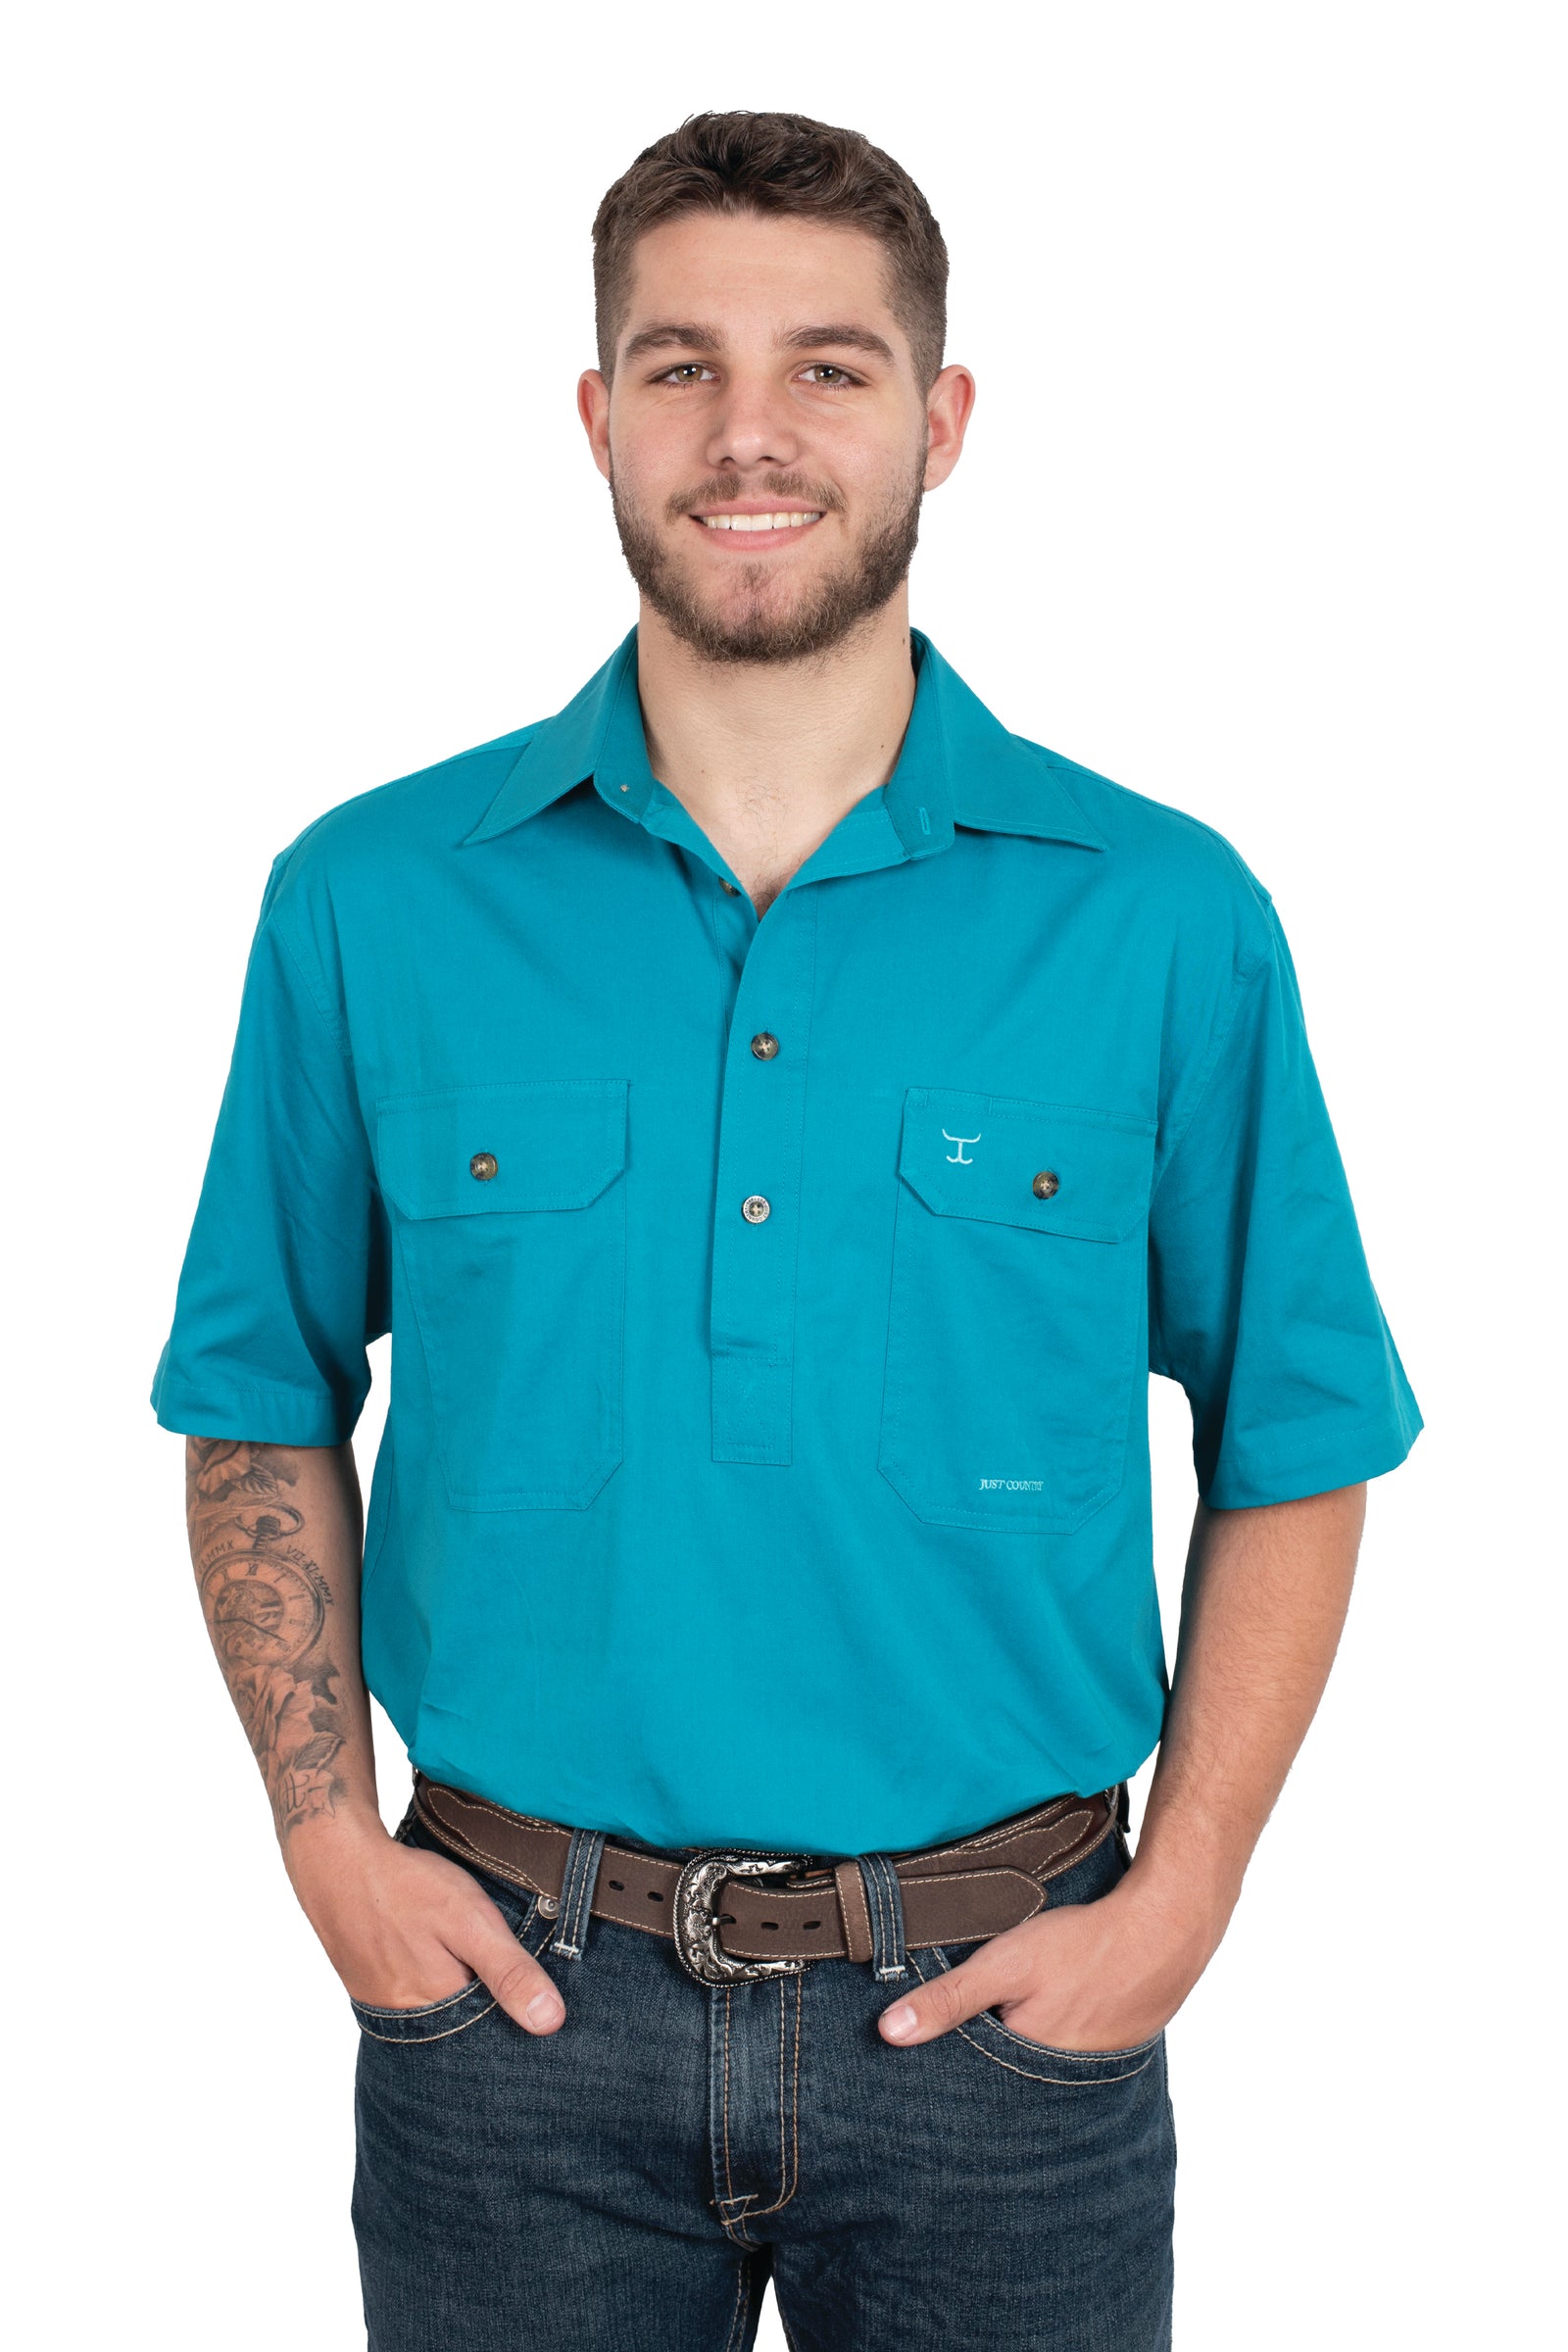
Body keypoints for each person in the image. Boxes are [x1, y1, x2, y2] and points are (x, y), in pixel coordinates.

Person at [154, 109, 1423, 2352]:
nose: (749, 433)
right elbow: (259, 1395)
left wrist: (1189, 1889)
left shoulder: (1160, 919)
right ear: (596, 418)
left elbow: (1296, 1434)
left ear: (941, 418)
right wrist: (325, 1844)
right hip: (512, 2022)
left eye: (827, 368)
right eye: (681, 367)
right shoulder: (369, 899)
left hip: (1004, 2027)